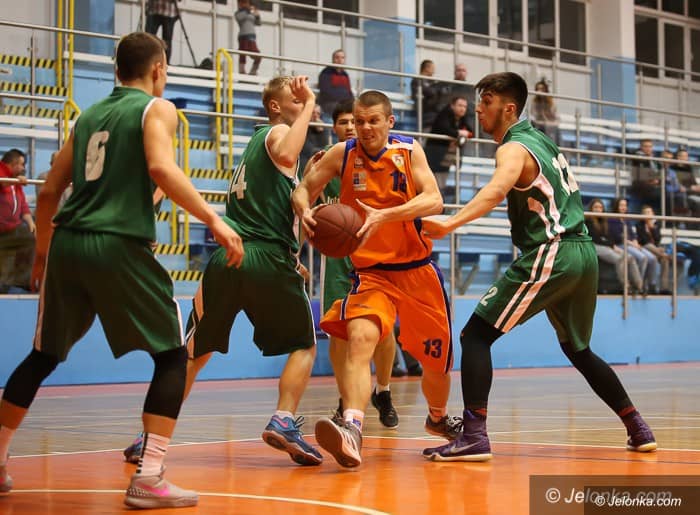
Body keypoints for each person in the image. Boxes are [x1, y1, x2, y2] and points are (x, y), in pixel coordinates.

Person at [0, 32, 244, 508]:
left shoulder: (87, 116)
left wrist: (43, 254)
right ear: (158, 70)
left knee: (43, 356)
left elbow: (48, 192)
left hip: (68, 243)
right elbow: (161, 168)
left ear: (116, 70)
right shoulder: (157, 109)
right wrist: (214, 219)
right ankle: (150, 475)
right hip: (118, 243)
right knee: (172, 356)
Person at [420, 72, 656, 462]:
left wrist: (449, 222)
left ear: (509, 108)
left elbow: (496, 190)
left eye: (487, 101)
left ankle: (474, 435)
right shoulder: (542, 140)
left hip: (554, 251)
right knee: (579, 350)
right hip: (582, 252)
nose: (478, 109)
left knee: (475, 335)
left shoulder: (513, 148)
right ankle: (638, 427)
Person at [123, 76, 324, 468]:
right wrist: (312, 102)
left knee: (193, 353)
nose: (303, 104)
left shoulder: (253, 150)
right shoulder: (278, 134)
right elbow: (287, 152)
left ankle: (149, 437)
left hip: (229, 258)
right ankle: (284, 420)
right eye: (295, 99)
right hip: (265, 258)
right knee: (304, 345)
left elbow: (275, 207)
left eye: (304, 100)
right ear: (275, 107)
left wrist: (294, 245)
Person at [293, 90, 461, 468]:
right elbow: (304, 188)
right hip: (371, 274)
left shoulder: (409, 151)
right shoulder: (343, 154)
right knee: (359, 339)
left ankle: (437, 417)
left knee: (436, 365)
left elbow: (434, 200)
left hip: (417, 271)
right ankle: (353, 427)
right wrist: (304, 210)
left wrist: (384, 215)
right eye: (359, 121)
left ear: (389, 122)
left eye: (373, 121)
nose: (365, 128)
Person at [315, 99, 399, 429]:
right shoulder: (327, 160)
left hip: (375, 258)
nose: (352, 127)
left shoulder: (383, 159)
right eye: (344, 122)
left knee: (383, 330)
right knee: (339, 332)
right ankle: (345, 398)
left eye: (356, 121)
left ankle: (384, 390)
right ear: (334, 128)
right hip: (338, 260)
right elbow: (302, 201)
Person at [586, 198, 644, 294]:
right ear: (591, 209)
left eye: (600, 207)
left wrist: (612, 245)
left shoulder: (604, 220)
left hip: (606, 245)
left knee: (630, 257)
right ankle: (626, 286)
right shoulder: (588, 221)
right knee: (620, 259)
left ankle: (639, 286)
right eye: (595, 207)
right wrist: (612, 246)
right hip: (594, 246)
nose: (598, 209)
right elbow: (595, 238)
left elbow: (608, 237)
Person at [424, 95, 473, 202]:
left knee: (441, 183)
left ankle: (438, 203)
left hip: (447, 157)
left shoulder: (462, 118)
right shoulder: (445, 113)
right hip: (435, 154)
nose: (462, 109)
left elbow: (470, 132)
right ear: (452, 106)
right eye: (460, 105)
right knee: (431, 182)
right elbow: (444, 128)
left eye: (464, 106)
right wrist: (459, 132)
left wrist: (464, 133)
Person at [0, 149, 35, 293]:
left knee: (31, 239)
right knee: (4, 261)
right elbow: (2, 184)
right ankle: (5, 284)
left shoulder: (15, 180)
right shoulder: (4, 174)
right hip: (2, 230)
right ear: (13, 163)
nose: (23, 168)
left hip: (13, 228)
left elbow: (23, 205)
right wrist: (14, 181)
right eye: (21, 164)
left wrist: (31, 222)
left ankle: (21, 281)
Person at [608, 197, 658, 293]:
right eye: (621, 205)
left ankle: (651, 284)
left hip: (631, 244)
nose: (623, 207)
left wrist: (635, 241)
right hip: (620, 244)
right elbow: (617, 237)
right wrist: (631, 243)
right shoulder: (612, 219)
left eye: (625, 205)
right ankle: (638, 284)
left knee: (652, 258)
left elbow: (632, 234)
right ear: (616, 206)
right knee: (642, 257)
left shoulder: (627, 220)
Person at [636, 205, 672, 295]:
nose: (648, 214)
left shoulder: (656, 225)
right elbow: (643, 241)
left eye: (650, 212)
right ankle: (664, 255)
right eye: (646, 213)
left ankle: (664, 288)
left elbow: (658, 239)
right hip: (643, 248)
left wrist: (652, 229)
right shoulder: (639, 225)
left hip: (655, 250)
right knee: (652, 248)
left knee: (664, 260)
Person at [317, 49, 354, 118]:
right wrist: (344, 100)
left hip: (343, 104)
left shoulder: (345, 74)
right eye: (337, 57)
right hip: (329, 104)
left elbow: (349, 92)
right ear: (333, 59)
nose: (340, 60)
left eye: (342, 58)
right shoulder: (326, 73)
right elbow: (326, 91)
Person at [410, 59, 440, 133]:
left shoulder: (433, 82)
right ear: (427, 68)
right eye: (432, 68)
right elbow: (430, 93)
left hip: (433, 111)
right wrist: (432, 93)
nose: (434, 71)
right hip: (424, 111)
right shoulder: (417, 80)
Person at [631, 139, 662, 207]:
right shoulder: (637, 157)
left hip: (654, 188)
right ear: (641, 147)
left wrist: (658, 180)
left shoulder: (655, 159)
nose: (648, 149)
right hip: (642, 188)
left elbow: (660, 171)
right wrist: (651, 180)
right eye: (645, 146)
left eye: (650, 146)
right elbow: (640, 173)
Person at [235, 0, 262, 75]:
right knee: (242, 53)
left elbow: (258, 23)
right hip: (243, 36)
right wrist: (248, 10)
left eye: (246, 3)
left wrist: (257, 16)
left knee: (257, 55)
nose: (245, 4)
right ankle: (241, 71)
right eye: (242, 3)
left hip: (252, 36)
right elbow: (239, 18)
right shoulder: (238, 13)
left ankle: (253, 71)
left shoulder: (251, 12)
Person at [299, 104, 329, 172]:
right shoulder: (302, 126)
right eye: (313, 113)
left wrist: (322, 132)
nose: (315, 116)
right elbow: (307, 149)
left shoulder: (322, 127)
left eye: (318, 113)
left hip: (318, 160)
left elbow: (325, 147)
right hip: (304, 159)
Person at [530, 78, 560, 144]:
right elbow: (533, 116)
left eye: (541, 89)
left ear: (545, 90)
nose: (539, 91)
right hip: (539, 125)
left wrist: (548, 117)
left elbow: (556, 117)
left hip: (550, 125)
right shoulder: (535, 102)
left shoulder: (551, 102)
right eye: (537, 89)